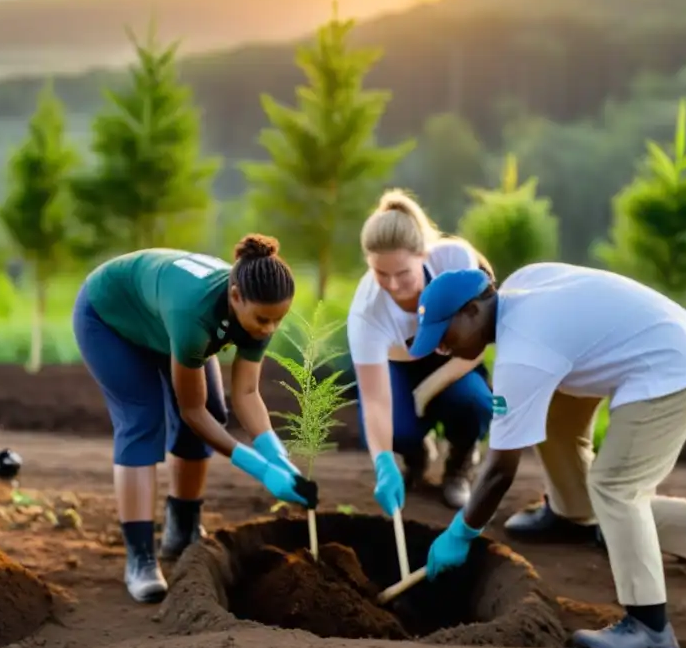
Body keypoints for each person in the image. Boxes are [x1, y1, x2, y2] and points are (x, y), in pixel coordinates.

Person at [408, 264, 686, 648]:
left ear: (471, 311)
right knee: (554, 421)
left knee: (616, 488)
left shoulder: (522, 355)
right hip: (661, 341)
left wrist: (461, 532)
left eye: (443, 335)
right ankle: (575, 511)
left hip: (674, 370)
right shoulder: (520, 286)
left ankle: (649, 629)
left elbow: (500, 470)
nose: (441, 348)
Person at [73, 235, 316, 604]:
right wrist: (260, 469)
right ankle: (140, 558)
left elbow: (247, 395)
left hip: (161, 322)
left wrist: (280, 459)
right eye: (263, 320)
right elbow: (191, 412)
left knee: (216, 410)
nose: (269, 329)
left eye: (278, 320)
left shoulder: (259, 306)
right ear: (235, 297)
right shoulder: (195, 314)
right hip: (110, 318)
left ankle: (182, 530)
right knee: (143, 420)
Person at [348, 189, 495, 513]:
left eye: (403, 273)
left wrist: (426, 391)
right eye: (380, 274)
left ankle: (459, 465)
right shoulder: (367, 311)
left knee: (474, 402)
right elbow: (373, 400)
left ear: (423, 255)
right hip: (397, 367)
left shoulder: (454, 261)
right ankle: (417, 455)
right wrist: (383, 462)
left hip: (455, 359)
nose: (393, 285)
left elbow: (476, 344)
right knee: (394, 430)